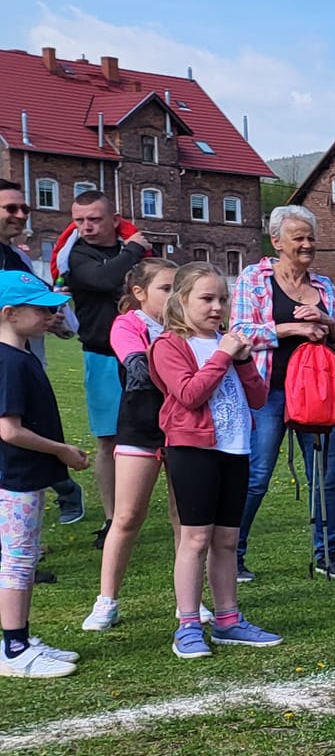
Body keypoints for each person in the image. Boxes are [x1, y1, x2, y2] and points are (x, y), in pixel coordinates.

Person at [148, 263, 280, 658]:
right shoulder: (169, 345)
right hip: (193, 451)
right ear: (182, 300)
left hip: (235, 450)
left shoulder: (228, 344)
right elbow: (190, 394)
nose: (217, 307)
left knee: (227, 540)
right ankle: (188, 624)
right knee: (195, 539)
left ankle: (228, 619)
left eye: (222, 298)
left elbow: (258, 398)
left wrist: (243, 360)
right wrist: (223, 357)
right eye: (206, 298)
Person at [232, 206, 335, 580]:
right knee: (257, 476)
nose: (306, 244)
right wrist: (290, 329)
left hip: (316, 393)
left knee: (326, 478)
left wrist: (326, 321)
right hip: (267, 392)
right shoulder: (254, 279)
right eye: (298, 238)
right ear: (276, 241)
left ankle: (327, 554)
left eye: (310, 238)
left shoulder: (323, 287)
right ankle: (231, 554)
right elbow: (239, 332)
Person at [0, 272, 91, 678]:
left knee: (23, 557)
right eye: (39, 309)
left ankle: (20, 637)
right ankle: (14, 647)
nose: (50, 314)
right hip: (14, 477)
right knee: (18, 561)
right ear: (9, 313)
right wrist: (61, 451)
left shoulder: (22, 356)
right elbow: (9, 430)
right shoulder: (9, 362)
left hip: (25, 475)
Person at [81, 258, 179, 633]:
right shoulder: (129, 324)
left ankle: (188, 600)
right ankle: (106, 601)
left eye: (178, 288)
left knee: (184, 519)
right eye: (165, 289)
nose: (174, 296)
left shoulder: (186, 324)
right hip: (140, 428)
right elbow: (134, 360)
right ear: (139, 293)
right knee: (126, 517)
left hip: (184, 429)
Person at [59, 191, 151, 536]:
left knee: (157, 436)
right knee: (109, 440)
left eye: (94, 219)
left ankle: (156, 511)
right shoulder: (77, 255)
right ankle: (113, 519)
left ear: (114, 220)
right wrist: (134, 249)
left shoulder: (129, 249)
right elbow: (104, 279)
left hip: (145, 356)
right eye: (79, 220)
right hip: (103, 357)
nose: (86, 227)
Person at [0, 182, 87, 532]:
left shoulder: (20, 259)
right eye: (11, 208)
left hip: (21, 360)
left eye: (25, 208)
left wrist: (56, 321)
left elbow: (59, 315)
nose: (21, 215)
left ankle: (56, 495)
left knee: (23, 433)